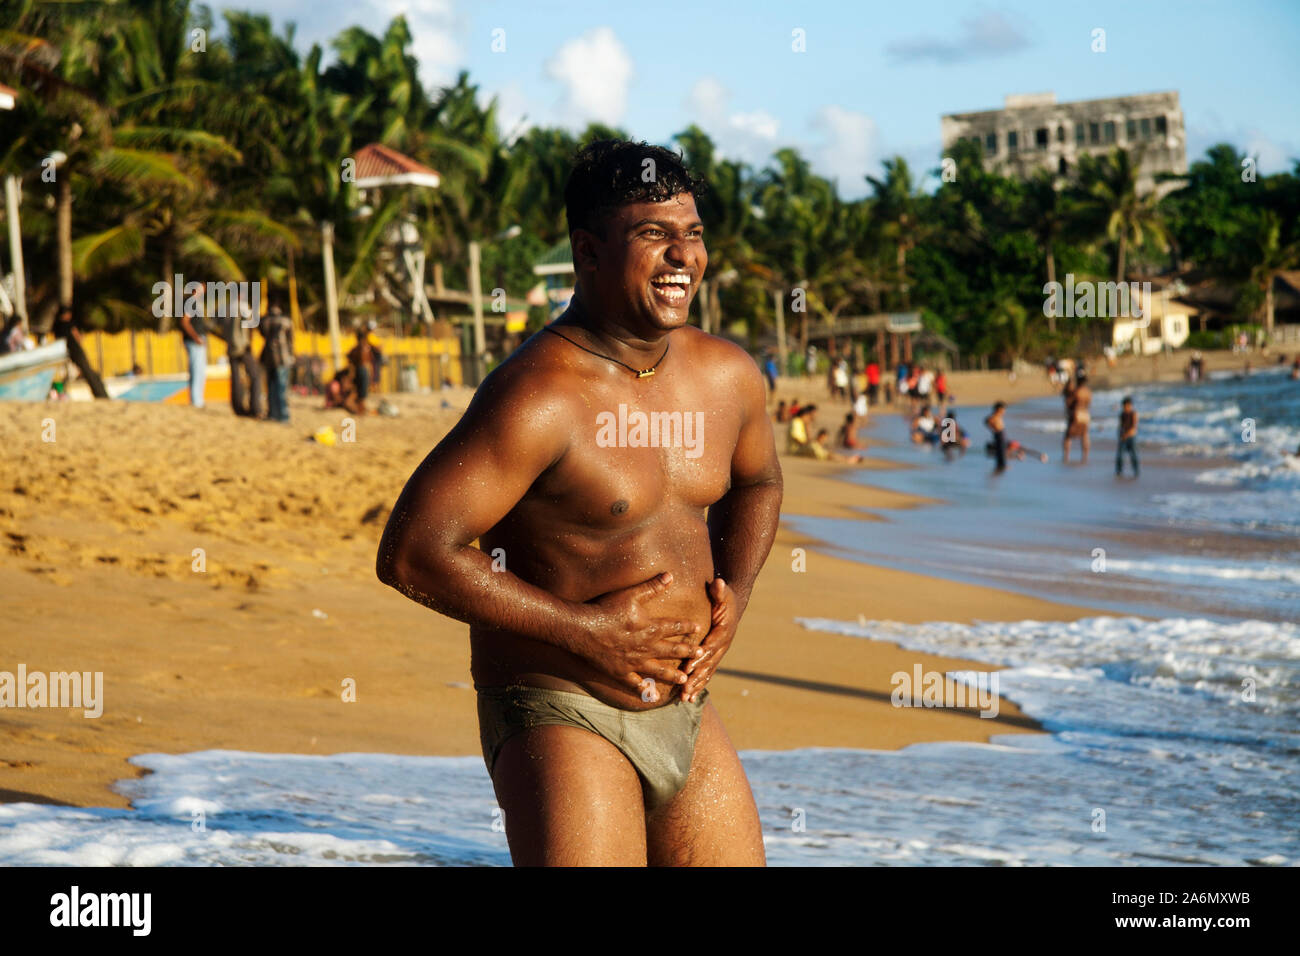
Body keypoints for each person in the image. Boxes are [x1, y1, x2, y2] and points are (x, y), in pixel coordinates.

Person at [376, 140, 779, 867]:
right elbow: (413, 552)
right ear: (588, 253)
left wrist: (737, 595)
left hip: (684, 703)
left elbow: (759, 483)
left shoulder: (727, 376)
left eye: (691, 234)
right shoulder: (538, 396)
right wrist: (585, 632)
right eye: (653, 235)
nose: (682, 256)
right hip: (563, 707)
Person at [221, 292, 263, 418]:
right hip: (243, 346)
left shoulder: (226, 308)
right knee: (255, 376)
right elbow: (250, 324)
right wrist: (249, 342)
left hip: (231, 348)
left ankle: (238, 409)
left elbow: (220, 329)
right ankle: (255, 408)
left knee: (235, 379)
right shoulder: (243, 306)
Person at [53, 304, 109, 398]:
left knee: (71, 374)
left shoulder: (56, 326)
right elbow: (78, 337)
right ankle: (101, 394)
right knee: (89, 372)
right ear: (67, 314)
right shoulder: (70, 324)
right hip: (76, 351)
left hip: (64, 353)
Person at [260, 300, 294, 422]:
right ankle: (284, 415)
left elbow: (262, 333)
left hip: (269, 358)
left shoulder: (264, 320)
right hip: (283, 358)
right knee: (282, 388)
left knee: (271, 387)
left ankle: (272, 413)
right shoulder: (287, 320)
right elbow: (291, 340)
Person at [179, 283, 208, 408]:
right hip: (194, 341)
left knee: (199, 371)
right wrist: (196, 337)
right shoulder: (191, 302)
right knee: (197, 371)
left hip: (196, 340)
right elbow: (184, 321)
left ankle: (197, 399)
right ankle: (196, 401)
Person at [1063, 370, 1092, 463]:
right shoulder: (1088, 392)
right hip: (1085, 413)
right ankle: (1085, 457)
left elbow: (1069, 402)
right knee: (1084, 435)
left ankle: (1066, 456)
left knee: (1068, 436)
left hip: (1077, 413)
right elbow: (1088, 403)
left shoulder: (1076, 391)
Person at [1116, 396, 1140, 477]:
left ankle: (1136, 471)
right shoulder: (1122, 414)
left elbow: (1134, 427)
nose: (1125, 408)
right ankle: (1119, 471)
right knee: (1120, 455)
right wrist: (1120, 434)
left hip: (1131, 437)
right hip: (1123, 437)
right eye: (1124, 406)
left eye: (1127, 406)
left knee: (1134, 455)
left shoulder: (1134, 414)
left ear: (1130, 405)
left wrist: (1126, 435)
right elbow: (1120, 426)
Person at [985, 401, 1008, 474]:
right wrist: (993, 429)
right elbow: (986, 421)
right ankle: (1001, 467)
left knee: (1002, 452)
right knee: (1001, 453)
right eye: (1003, 409)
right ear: (998, 409)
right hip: (999, 435)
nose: (1004, 411)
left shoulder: (999, 416)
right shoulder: (994, 416)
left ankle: (1001, 468)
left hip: (1001, 435)